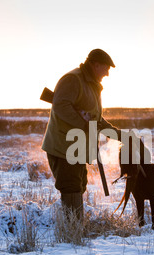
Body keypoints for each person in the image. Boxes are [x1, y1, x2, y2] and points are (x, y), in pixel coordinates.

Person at [42, 49, 121, 221]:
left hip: (76, 148)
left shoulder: (91, 85)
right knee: (70, 187)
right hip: (63, 147)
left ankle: (76, 230)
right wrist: (83, 124)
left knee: (78, 185)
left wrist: (118, 134)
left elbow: (96, 119)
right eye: (106, 68)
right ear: (95, 64)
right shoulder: (73, 80)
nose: (107, 73)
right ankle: (72, 235)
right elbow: (61, 106)